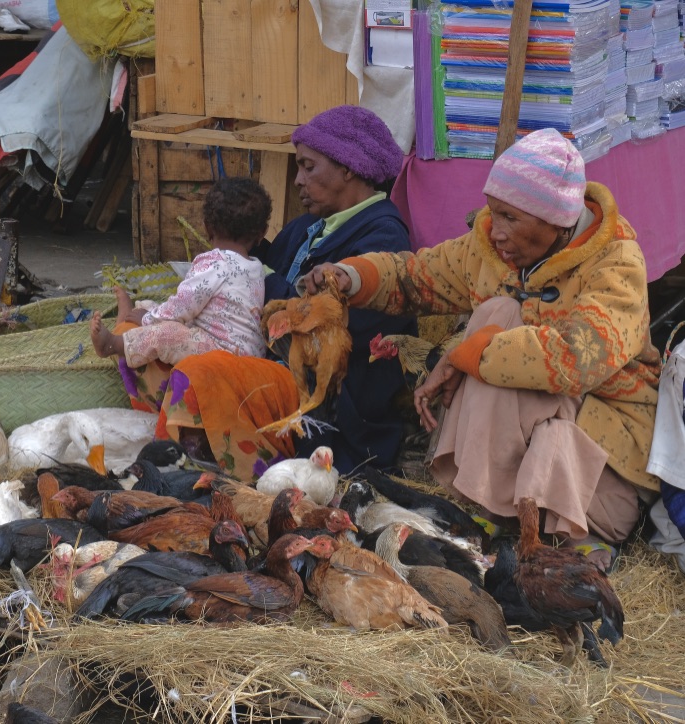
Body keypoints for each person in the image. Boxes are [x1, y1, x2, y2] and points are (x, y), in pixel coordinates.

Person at [309, 128, 662, 571]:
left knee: (499, 320)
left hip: (602, 450)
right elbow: (418, 276)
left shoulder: (617, 263)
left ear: (556, 221)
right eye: (493, 212)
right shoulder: (492, 247)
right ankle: (491, 511)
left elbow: (574, 359)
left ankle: (571, 534)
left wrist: (464, 353)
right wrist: (351, 277)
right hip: (535, 432)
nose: (494, 230)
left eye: (511, 217)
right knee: (499, 312)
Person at [253, 105, 417, 474]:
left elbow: (336, 330)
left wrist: (258, 277)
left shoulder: (385, 237)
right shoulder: (306, 227)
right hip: (286, 370)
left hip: (339, 406)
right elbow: (274, 270)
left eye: (308, 167)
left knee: (212, 375)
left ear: (348, 167)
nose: (298, 180)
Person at [90, 177, 269, 367]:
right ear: (261, 233)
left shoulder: (214, 263)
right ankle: (127, 319)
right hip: (250, 357)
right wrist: (149, 314)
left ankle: (113, 344)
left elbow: (181, 306)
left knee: (167, 332)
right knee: (152, 307)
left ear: (207, 227)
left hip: (221, 356)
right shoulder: (257, 268)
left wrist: (147, 319)